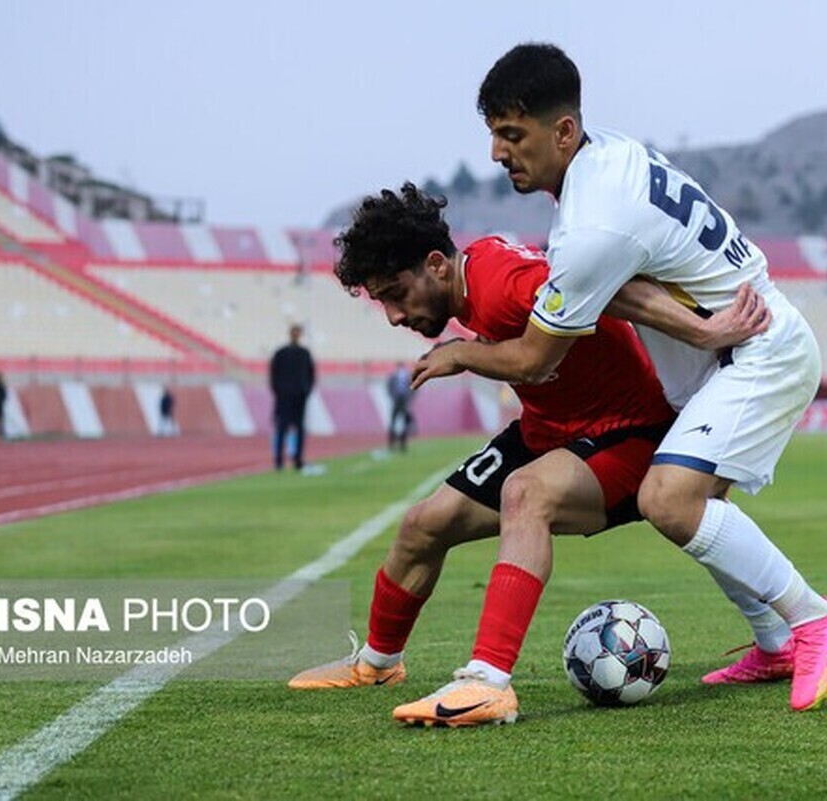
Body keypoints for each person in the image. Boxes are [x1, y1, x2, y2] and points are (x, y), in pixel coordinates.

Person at [405, 43, 827, 719]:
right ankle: (774, 641)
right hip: (726, 348)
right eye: (494, 134)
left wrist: (463, 355)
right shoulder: (608, 157)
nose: (498, 153)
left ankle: (814, 618)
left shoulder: (590, 221)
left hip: (759, 349)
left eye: (511, 135)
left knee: (669, 500)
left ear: (562, 131)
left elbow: (534, 360)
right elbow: (622, 281)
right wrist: (698, 331)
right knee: (705, 507)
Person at [288, 184, 770, 727]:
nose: (395, 315)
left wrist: (706, 331)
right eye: (383, 302)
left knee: (527, 495)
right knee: (425, 524)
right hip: (549, 430)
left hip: (628, 433)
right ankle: (376, 664)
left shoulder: (502, 282)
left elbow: (609, 291)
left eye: (397, 293)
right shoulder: (476, 287)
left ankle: (488, 682)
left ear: (436, 265)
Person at [269, 324, 316, 471]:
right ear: (290, 334)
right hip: (283, 396)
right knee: (282, 427)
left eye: (298, 332)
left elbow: (311, 374)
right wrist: (278, 391)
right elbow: (273, 375)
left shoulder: (305, 353)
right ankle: (278, 461)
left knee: (299, 428)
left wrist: (306, 391)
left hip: (299, 396)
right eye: (294, 332)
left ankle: (298, 459)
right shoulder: (280, 353)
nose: (296, 335)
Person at [386, 362, 414, 452]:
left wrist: (409, 398)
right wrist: (393, 397)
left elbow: (413, 388)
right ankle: (392, 444)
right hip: (396, 401)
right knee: (393, 422)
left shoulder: (407, 377)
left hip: (404, 402)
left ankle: (403, 445)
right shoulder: (393, 377)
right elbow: (389, 387)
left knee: (404, 423)